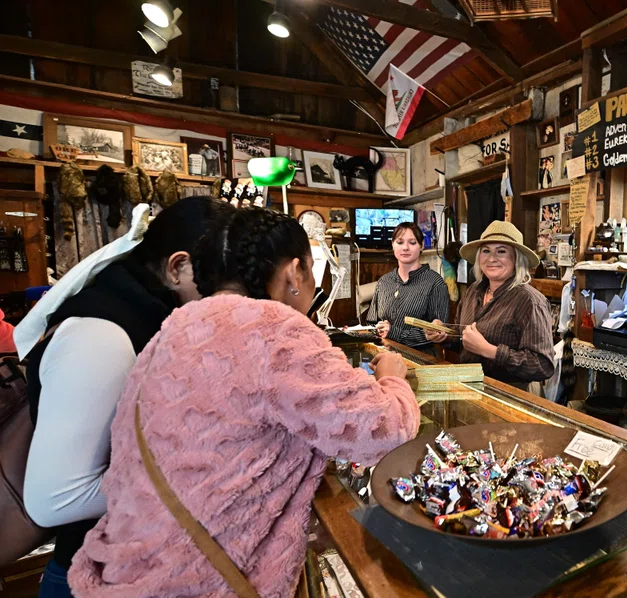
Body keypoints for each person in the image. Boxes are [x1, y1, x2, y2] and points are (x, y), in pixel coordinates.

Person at [68, 207, 419, 598]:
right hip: (204, 580)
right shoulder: (277, 329)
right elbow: (384, 430)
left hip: (130, 567)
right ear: (295, 271)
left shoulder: (172, 328)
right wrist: (391, 377)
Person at [21, 197, 235, 598]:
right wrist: (210, 474)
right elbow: (56, 499)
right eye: (228, 286)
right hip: (93, 578)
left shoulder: (149, 314)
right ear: (178, 267)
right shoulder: (101, 334)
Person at [425, 220, 554, 388]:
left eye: (501, 251)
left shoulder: (530, 301)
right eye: (486, 251)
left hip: (508, 397)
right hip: (469, 389)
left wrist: (490, 351)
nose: (492, 258)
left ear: (517, 259)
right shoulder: (473, 291)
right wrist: (443, 333)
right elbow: (460, 335)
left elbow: (543, 366)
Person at [367, 222, 449, 349]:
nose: (405, 248)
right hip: (384, 357)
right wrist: (378, 330)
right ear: (392, 245)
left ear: (421, 246)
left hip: (419, 359)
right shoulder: (384, 282)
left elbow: (437, 333)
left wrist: (393, 332)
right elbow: (371, 324)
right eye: (400, 242)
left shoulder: (435, 282)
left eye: (412, 242)